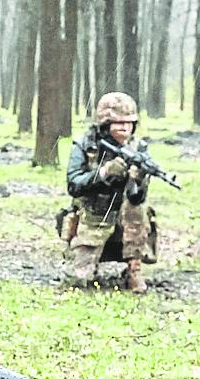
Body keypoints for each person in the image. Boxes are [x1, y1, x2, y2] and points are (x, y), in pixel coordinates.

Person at [62, 92, 156, 294]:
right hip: (92, 219)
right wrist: (104, 173)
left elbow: (137, 198)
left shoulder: (138, 148)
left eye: (129, 123)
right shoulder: (86, 145)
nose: (124, 128)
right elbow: (74, 184)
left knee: (137, 209)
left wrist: (138, 180)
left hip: (126, 224)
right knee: (79, 280)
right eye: (118, 123)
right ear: (105, 124)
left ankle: (134, 269)